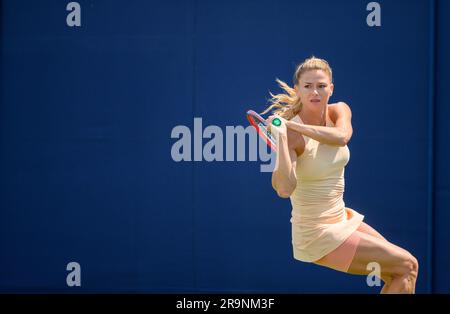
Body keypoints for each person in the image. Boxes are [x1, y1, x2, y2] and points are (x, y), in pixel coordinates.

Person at [262, 56, 419, 294]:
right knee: (407, 265)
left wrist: (291, 126)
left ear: (331, 88)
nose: (315, 92)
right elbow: (284, 189)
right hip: (316, 234)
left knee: (400, 273)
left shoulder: (339, 111)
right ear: (298, 90)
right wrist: (283, 137)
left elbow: (342, 137)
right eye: (308, 86)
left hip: (341, 218)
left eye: (321, 86)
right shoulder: (291, 135)